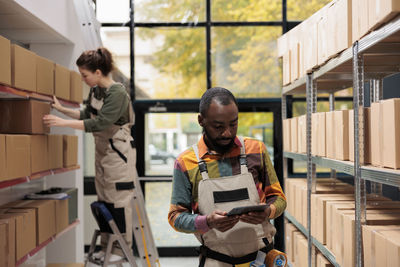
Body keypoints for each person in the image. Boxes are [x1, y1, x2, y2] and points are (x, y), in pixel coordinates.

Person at [168, 87, 287, 267]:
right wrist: (206, 221)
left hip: (261, 260)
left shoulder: (256, 150)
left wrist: (267, 212)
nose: (227, 133)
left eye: (233, 124)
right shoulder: (186, 162)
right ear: (201, 120)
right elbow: (176, 217)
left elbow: (278, 198)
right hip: (217, 261)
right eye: (218, 126)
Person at [43, 47, 136, 260]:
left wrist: (62, 122)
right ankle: (107, 246)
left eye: (85, 75)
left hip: (118, 155)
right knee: (104, 201)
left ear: (97, 72)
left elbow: (100, 123)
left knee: (118, 203)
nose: (83, 79)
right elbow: (87, 113)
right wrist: (61, 109)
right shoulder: (97, 92)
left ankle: (120, 249)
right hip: (103, 152)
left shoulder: (117, 92)